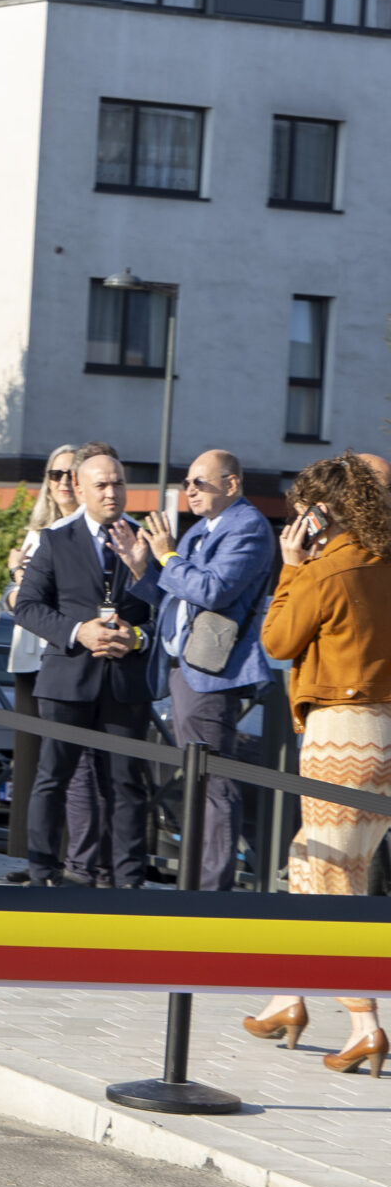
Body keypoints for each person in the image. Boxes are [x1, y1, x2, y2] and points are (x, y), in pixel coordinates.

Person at [246, 456, 391, 1069]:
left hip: (340, 733)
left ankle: (365, 1023)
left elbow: (277, 640)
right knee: (309, 857)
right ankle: (290, 995)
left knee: (336, 875)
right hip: (384, 734)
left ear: (319, 510)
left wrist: (289, 568)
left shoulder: (325, 572)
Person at [14, 450, 159, 888]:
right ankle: (42, 874)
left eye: (117, 483)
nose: (112, 492)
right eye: (101, 484)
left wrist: (138, 637)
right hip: (67, 681)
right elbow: (27, 606)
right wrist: (79, 631)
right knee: (51, 781)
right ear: (79, 488)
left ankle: (128, 883)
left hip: (124, 683)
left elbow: (165, 612)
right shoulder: (55, 540)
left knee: (127, 787)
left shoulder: (145, 539)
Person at [133, 448, 276, 893]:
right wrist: (143, 566)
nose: (189, 490)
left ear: (231, 484)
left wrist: (167, 557)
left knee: (214, 782)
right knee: (196, 783)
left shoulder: (248, 527)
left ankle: (212, 892)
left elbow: (213, 591)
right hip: (184, 668)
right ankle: (194, 882)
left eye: (200, 482)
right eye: (186, 482)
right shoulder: (199, 530)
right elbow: (176, 600)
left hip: (211, 675)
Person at [3, 445, 108, 885]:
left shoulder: (94, 532)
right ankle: (41, 862)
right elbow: (17, 601)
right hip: (34, 659)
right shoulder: (39, 532)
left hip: (77, 660)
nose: (62, 482)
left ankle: (78, 863)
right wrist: (14, 584)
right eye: (55, 473)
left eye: (70, 474)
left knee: (82, 771)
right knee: (41, 767)